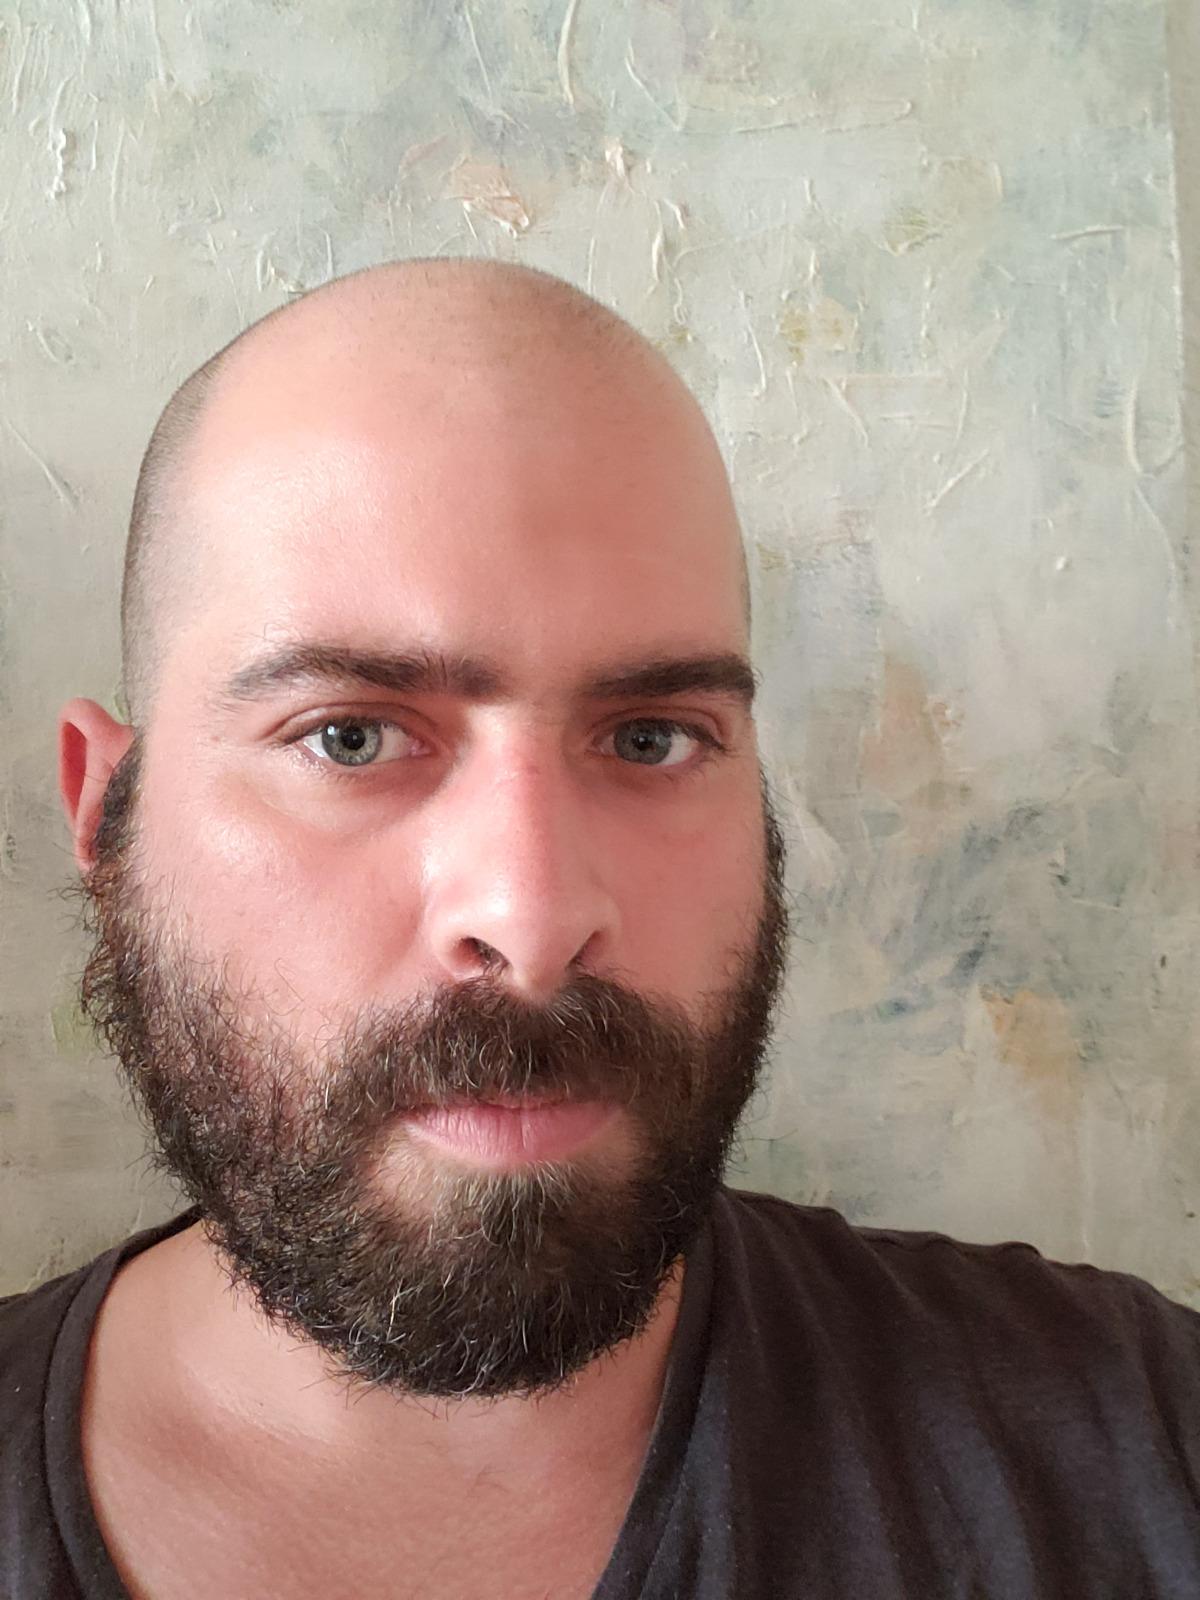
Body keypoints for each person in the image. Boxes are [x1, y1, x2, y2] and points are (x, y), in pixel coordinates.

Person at [1, 258, 1196, 1600]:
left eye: (650, 738)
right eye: (348, 737)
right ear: (105, 818)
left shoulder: (1144, 1451)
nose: (533, 918)